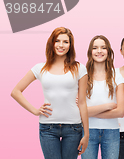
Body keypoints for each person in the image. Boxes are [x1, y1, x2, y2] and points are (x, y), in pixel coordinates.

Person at [11, 27, 89, 159]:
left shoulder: (79, 68)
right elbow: (16, 91)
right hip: (48, 128)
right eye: (57, 41)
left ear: (70, 45)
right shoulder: (40, 68)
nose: (61, 45)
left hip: (73, 128)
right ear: (51, 43)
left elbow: (82, 102)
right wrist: (35, 111)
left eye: (66, 42)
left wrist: (86, 134)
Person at [82, 35, 124, 159]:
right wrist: (107, 106)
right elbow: (77, 110)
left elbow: (121, 112)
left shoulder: (117, 75)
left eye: (103, 48)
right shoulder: (82, 76)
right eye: (95, 48)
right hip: (88, 131)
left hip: (111, 132)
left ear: (109, 52)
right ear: (90, 52)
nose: (99, 51)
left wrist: (88, 112)